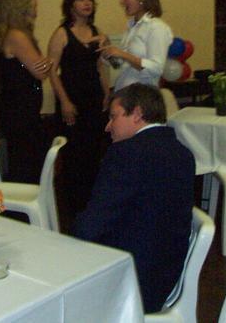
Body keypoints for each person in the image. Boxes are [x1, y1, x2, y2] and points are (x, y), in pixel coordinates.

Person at [73, 83, 194, 313]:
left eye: (113, 117)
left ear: (137, 114)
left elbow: (91, 226)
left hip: (133, 281)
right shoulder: (183, 153)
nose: (108, 126)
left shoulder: (126, 154)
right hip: (167, 273)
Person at [47, 0, 110, 219]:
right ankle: (72, 209)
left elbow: (100, 66)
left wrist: (107, 93)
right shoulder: (62, 33)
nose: (87, 3)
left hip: (94, 99)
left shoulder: (96, 31)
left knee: (93, 153)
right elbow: (52, 71)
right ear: (71, 4)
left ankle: (90, 206)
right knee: (73, 155)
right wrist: (64, 101)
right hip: (71, 100)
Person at [0, 0, 52, 183]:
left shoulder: (12, 33)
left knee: (25, 161)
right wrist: (51, 60)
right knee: (26, 165)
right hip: (19, 112)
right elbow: (40, 71)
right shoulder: (17, 35)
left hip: (19, 110)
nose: (36, 3)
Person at [99, 0, 173, 90]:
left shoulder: (156, 27)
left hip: (143, 95)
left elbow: (156, 69)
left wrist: (123, 54)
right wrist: (107, 49)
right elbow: (119, 65)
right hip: (125, 92)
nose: (122, 2)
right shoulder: (132, 27)